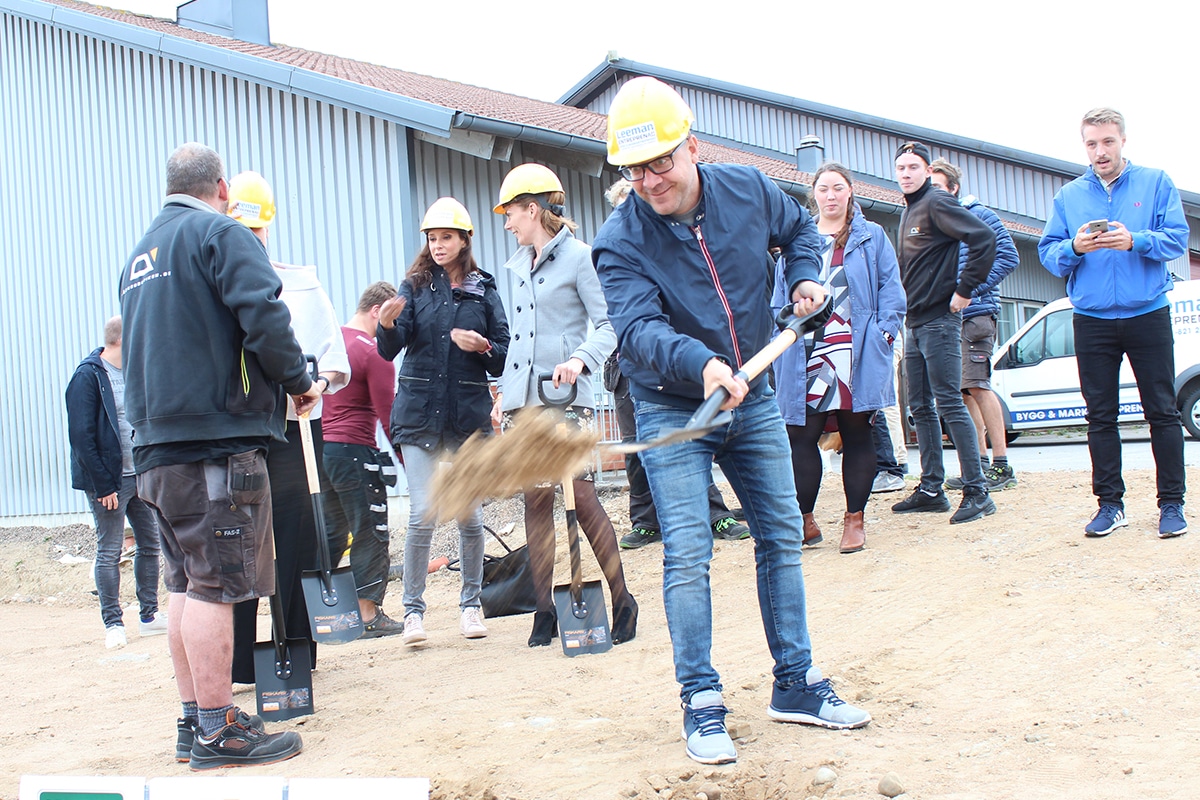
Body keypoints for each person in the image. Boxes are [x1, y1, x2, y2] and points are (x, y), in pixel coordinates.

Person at [591, 76, 870, 765]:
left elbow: (800, 228)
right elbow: (637, 330)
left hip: (753, 398)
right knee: (689, 553)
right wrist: (703, 364)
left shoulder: (747, 189)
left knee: (780, 537)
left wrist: (805, 274)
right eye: (636, 169)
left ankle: (796, 684)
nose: (650, 180)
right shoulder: (619, 239)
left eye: (661, 161)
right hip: (672, 403)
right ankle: (701, 700)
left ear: (691, 146)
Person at [120, 143, 319, 769]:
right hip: (212, 442)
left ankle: (192, 720)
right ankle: (217, 730)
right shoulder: (220, 233)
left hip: (155, 447)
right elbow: (264, 314)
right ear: (222, 187)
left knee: (183, 581)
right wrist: (298, 383)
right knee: (215, 585)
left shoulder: (139, 255)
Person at [492, 163, 637, 648]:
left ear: (532, 209)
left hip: (565, 399)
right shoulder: (516, 267)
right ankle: (542, 610)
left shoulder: (579, 257)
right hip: (525, 403)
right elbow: (520, 340)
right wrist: (504, 397)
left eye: (511, 212)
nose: (507, 222)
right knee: (534, 500)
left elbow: (608, 324)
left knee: (583, 494)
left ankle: (621, 598)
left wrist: (579, 360)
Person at [1038, 108, 1190, 539]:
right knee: (1099, 416)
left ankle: (1172, 505)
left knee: (1161, 411)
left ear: (1123, 140)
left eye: (1107, 142)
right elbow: (1049, 254)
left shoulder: (1156, 181)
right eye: (1091, 144)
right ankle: (1110, 505)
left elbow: (1177, 239)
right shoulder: (1068, 196)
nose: (1100, 152)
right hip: (1091, 318)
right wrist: (1075, 246)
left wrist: (1136, 241)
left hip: (1147, 313)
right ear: (1083, 145)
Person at [225, 171, 352, 680]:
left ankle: (296, 643)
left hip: (295, 432)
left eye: (255, 232)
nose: (249, 241)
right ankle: (239, 659)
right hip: (238, 434)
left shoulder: (302, 284)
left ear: (267, 230)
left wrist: (314, 386)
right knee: (238, 542)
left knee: (296, 538)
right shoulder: (212, 281)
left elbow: (333, 361)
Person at [377, 197, 510, 644]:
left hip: (467, 419)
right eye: (432, 238)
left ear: (464, 240)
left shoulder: (484, 289)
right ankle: (413, 612)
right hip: (418, 415)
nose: (437, 245)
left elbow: (504, 356)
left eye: (446, 237)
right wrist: (387, 326)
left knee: (470, 518)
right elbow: (389, 350)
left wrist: (484, 348)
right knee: (422, 514)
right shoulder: (413, 286)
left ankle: (471, 606)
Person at [602, 179, 750, 550]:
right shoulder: (614, 249)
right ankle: (646, 521)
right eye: (623, 205)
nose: (632, 211)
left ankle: (715, 513)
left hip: (685, 370)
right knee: (637, 449)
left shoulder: (672, 251)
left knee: (692, 445)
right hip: (630, 367)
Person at [771, 163, 905, 554]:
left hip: (856, 350)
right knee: (801, 435)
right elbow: (780, 294)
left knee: (857, 432)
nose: (831, 196)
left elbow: (891, 291)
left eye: (838, 188)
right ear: (814, 195)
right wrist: (782, 329)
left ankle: (854, 520)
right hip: (805, 351)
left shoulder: (872, 237)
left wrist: (884, 333)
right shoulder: (800, 239)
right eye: (823, 189)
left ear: (850, 192)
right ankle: (806, 520)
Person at [890, 141, 997, 524]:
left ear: (926, 171)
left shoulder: (936, 202)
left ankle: (977, 490)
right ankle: (932, 488)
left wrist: (966, 290)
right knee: (919, 408)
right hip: (914, 321)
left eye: (913, 167)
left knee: (949, 403)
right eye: (900, 167)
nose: (906, 173)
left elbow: (984, 239)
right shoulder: (909, 211)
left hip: (940, 320)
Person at [66, 315, 165, 649]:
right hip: (108, 482)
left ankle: (149, 615)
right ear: (121, 339)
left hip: (139, 474)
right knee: (109, 550)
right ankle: (113, 624)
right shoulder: (88, 376)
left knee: (151, 544)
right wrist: (104, 485)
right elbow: (81, 437)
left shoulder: (134, 373)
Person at [928, 158, 1020, 492]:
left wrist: (970, 291)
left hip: (977, 315)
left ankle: (1001, 465)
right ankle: (977, 465)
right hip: (949, 320)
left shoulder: (979, 215)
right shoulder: (939, 226)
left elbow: (1009, 257)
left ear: (953, 188)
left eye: (937, 187)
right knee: (964, 389)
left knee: (978, 385)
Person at [323, 281, 402, 634]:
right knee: (371, 529)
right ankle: (367, 615)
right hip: (355, 450)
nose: (394, 331)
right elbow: (389, 415)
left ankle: (321, 613)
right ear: (377, 311)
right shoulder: (374, 352)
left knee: (330, 534)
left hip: (321, 451)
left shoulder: (329, 342)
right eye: (392, 320)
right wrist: (405, 459)